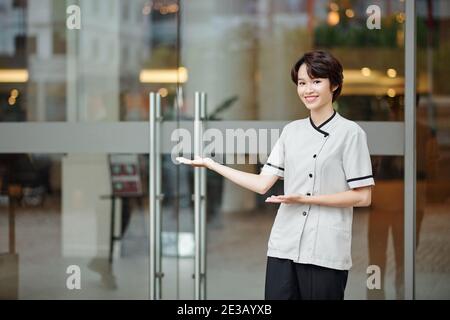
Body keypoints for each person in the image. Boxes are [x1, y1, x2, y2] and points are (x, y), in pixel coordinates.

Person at [176, 50, 374, 300]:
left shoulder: (350, 133)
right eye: (302, 83)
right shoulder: (291, 132)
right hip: (284, 247)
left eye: (316, 81)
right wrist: (212, 165)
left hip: (325, 250)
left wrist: (306, 200)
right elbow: (262, 184)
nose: (307, 90)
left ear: (334, 84)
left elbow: (362, 196)